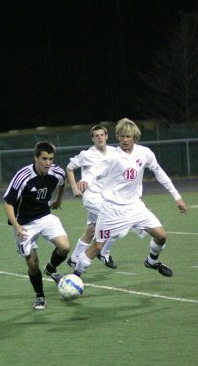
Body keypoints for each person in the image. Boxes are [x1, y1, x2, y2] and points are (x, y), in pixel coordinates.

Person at [72, 118, 187, 278]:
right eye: (122, 136)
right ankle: (75, 276)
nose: (125, 140)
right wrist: (86, 180)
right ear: (117, 136)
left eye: (129, 136)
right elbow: (95, 171)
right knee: (97, 246)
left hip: (135, 207)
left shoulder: (145, 153)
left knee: (161, 235)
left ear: (135, 137)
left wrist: (177, 196)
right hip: (112, 210)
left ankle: (151, 261)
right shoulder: (112, 157)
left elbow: (159, 173)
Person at [3, 141, 70, 310]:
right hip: (24, 223)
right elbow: (8, 204)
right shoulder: (23, 176)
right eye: (44, 159)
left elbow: (63, 183)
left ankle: (51, 268)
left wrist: (58, 200)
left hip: (45, 217)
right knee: (32, 263)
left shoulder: (57, 172)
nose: (48, 163)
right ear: (36, 158)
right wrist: (17, 227)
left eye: (51, 159)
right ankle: (40, 296)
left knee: (64, 248)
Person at [66, 124, 118, 270]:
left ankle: (75, 258)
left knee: (91, 230)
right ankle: (103, 252)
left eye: (102, 135)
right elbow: (69, 168)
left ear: (107, 136)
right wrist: (75, 188)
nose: (100, 138)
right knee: (114, 218)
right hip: (92, 197)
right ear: (92, 139)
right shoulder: (87, 154)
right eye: (96, 136)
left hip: (107, 197)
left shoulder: (114, 152)